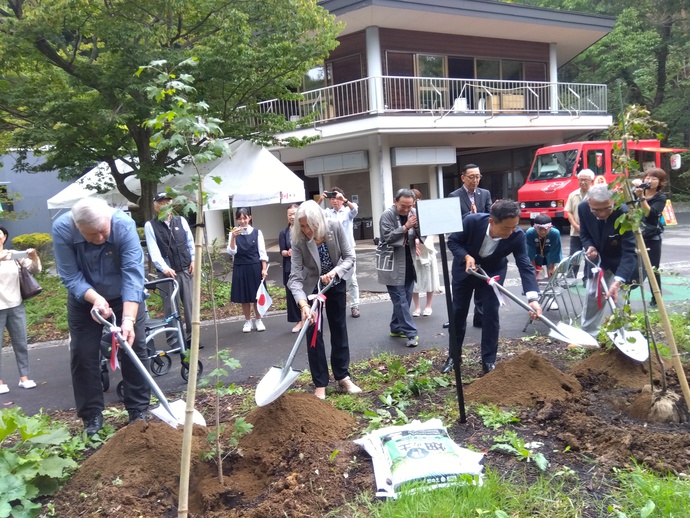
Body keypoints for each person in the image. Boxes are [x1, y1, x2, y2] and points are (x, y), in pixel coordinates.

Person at [52, 197, 150, 436]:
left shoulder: (124, 225)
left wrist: (127, 319)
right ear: (77, 227)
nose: (99, 239)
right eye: (91, 235)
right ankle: (92, 416)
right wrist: (94, 298)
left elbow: (133, 275)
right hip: (84, 298)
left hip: (124, 296)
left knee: (134, 346)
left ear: (109, 218)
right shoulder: (63, 229)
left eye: (103, 232)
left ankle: (138, 412)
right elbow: (70, 275)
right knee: (83, 354)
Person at [447, 200, 542, 374]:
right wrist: (466, 256)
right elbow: (453, 241)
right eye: (506, 228)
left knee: (491, 316)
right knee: (458, 313)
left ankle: (488, 361)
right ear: (492, 221)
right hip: (465, 272)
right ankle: (454, 356)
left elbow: (524, 265)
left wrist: (533, 299)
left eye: (514, 227)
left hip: (492, 275)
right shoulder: (472, 222)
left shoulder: (517, 236)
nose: (511, 232)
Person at [287, 200, 361, 399]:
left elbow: (349, 257)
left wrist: (335, 272)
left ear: (318, 221)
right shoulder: (298, 240)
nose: (305, 230)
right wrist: (303, 304)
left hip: (335, 283)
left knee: (339, 328)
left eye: (308, 225)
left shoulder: (334, 227)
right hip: (312, 289)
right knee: (313, 334)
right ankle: (320, 383)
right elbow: (294, 277)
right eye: (301, 226)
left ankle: (342, 376)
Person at [578, 184, 637, 337]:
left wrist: (618, 281)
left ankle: (622, 336)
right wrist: (589, 246)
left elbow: (629, 251)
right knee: (593, 296)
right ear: (589, 202)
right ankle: (588, 335)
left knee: (619, 300)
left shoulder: (625, 213)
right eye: (596, 210)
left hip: (620, 261)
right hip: (598, 261)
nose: (602, 214)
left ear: (613, 202)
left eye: (607, 208)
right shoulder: (583, 208)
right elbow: (584, 234)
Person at [144, 192, 194, 348]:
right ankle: (174, 340)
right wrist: (164, 268)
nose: (166, 205)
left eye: (168, 202)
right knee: (170, 307)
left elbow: (190, 241)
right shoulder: (150, 225)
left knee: (190, 304)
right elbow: (153, 250)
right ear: (156, 206)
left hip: (185, 268)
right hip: (166, 274)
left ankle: (193, 337)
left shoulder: (181, 221)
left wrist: (193, 259)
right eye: (162, 202)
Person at [448, 163, 492, 328]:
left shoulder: (485, 193)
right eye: (472, 177)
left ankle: (479, 317)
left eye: (478, 176)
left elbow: (489, 213)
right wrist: (470, 216)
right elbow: (453, 220)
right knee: (461, 287)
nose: (475, 180)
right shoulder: (454, 195)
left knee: (481, 284)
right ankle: (457, 319)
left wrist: (481, 215)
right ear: (463, 178)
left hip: (481, 242)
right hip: (463, 242)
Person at [0, 226, 41, 394]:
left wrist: (33, 256)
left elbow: (35, 270)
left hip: (16, 304)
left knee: (21, 342)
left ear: (4, 237)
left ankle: (24, 377)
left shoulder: (13, 255)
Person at [377, 188, 419, 348]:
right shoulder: (387, 215)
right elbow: (387, 237)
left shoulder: (414, 212)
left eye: (410, 206)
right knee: (400, 299)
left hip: (409, 261)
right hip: (392, 263)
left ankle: (396, 328)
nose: (407, 209)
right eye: (403, 206)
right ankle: (411, 333)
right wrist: (406, 227)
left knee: (406, 297)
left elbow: (422, 235)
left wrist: (417, 228)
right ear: (395, 201)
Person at [321, 186, 361, 318]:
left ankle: (355, 305)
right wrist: (320, 200)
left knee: (352, 279)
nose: (334, 201)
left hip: (348, 250)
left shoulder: (347, 211)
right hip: (334, 251)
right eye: (332, 199)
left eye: (337, 198)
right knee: (336, 278)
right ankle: (340, 304)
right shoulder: (327, 213)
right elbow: (315, 213)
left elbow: (355, 210)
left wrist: (344, 200)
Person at [227, 208, 269, 333]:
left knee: (256, 296)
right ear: (236, 220)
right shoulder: (233, 233)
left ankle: (258, 319)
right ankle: (247, 321)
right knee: (244, 297)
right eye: (240, 219)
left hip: (255, 266)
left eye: (245, 218)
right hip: (240, 267)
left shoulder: (257, 232)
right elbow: (232, 251)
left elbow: (262, 252)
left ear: (249, 218)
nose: (242, 221)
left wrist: (264, 269)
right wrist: (233, 237)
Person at [634, 168, 668, 307]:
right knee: (633, 266)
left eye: (654, 179)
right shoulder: (636, 191)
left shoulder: (660, 197)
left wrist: (641, 197)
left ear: (660, 182)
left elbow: (650, 214)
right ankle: (626, 297)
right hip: (635, 234)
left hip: (652, 236)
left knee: (653, 269)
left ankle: (656, 298)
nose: (650, 181)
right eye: (648, 177)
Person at [409, 189, 439, 317]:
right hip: (412, 249)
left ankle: (428, 305)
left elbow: (431, 228)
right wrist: (413, 240)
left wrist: (420, 240)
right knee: (414, 279)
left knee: (429, 276)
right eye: (413, 201)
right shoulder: (406, 213)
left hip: (426, 247)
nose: (415, 204)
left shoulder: (427, 212)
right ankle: (417, 307)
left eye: (417, 200)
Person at [564, 169, 595, 281]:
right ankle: (571, 277)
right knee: (574, 256)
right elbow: (569, 212)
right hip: (575, 231)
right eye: (580, 180)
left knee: (590, 255)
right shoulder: (573, 195)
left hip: (591, 232)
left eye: (585, 180)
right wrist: (575, 225)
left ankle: (587, 278)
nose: (582, 182)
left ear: (592, 181)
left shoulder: (595, 194)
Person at [279, 204, 302, 332]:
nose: (292, 217)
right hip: (290, 267)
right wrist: (287, 252)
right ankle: (298, 321)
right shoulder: (284, 232)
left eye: (294, 214)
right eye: (290, 215)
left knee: (306, 292)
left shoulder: (303, 229)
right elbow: (281, 251)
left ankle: (307, 317)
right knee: (292, 294)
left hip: (304, 268)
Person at [525, 214, 562, 279]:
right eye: (540, 229)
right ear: (535, 228)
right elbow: (530, 251)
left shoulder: (555, 233)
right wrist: (533, 266)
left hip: (550, 253)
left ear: (550, 227)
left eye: (545, 229)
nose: (542, 232)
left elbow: (555, 251)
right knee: (533, 273)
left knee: (552, 274)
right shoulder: (530, 233)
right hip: (536, 253)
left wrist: (551, 267)